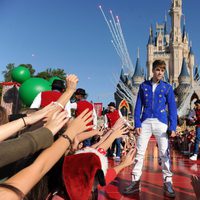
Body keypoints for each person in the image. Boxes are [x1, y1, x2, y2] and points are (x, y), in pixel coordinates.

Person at [123, 60, 177, 198]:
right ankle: (135, 181)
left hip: (161, 122)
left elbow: (172, 108)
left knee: (164, 153)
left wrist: (173, 127)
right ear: (153, 70)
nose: (160, 73)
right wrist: (137, 123)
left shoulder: (167, 87)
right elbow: (138, 106)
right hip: (145, 121)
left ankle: (168, 181)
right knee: (140, 152)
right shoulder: (143, 86)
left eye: (162, 70)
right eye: (158, 70)